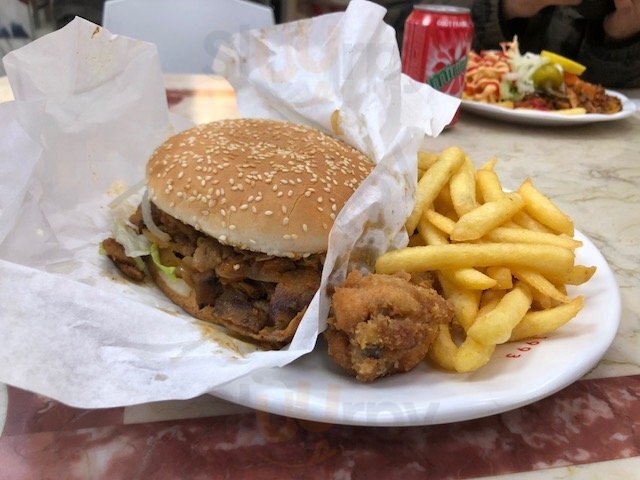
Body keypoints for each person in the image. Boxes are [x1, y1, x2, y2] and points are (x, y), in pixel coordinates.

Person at [471, 0, 640, 87]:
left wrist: (619, 37)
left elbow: (621, 100)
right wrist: (506, 7)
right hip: (481, 110)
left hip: (599, 133)